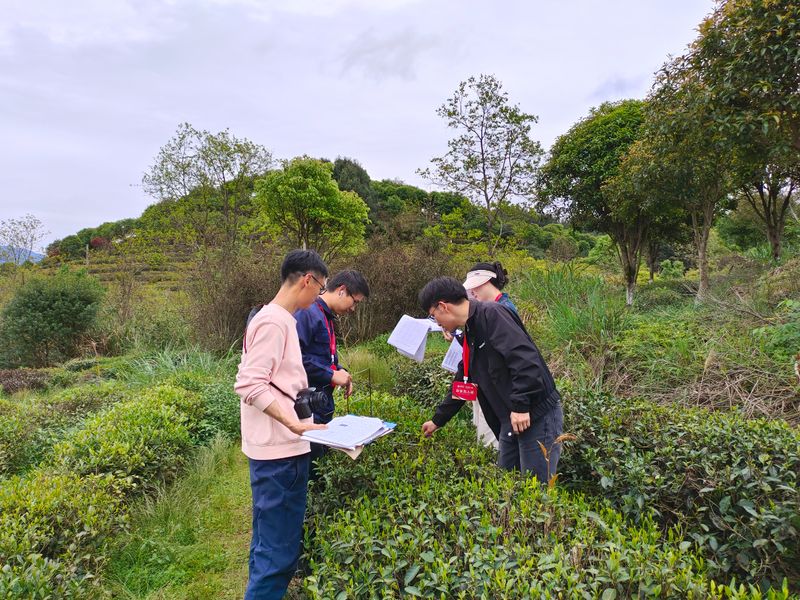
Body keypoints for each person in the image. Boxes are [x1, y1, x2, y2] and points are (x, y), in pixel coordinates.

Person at [234, 249, 329, 600]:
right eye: (320, 288)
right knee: (278, 554)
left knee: (267, 544)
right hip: (280, 455)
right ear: (308, 280)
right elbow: (249, 383)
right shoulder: (274, 322)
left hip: (275, 450)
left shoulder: (275, 318)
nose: (318, 295)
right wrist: (293, 423)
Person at [420, 277, 564, 483]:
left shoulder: (492, 315)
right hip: (510, 420)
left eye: (433, 315)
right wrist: (438, 420)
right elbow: (464, 380)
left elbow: (526, 360)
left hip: (534, 415)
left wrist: (521, 406)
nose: (437, 323)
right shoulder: (470, 330)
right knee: (507, 485)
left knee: (535, 489)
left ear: (443, 306)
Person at [294, 269, 370, 474]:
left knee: (322, 465)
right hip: (307, 408)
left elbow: (324, 357)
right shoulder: (307, 313)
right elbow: (294, 358)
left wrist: (340, 370)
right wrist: (331, 375)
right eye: (355, 302)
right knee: (313, 471)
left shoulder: (325, 316)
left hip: (322, 405)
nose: (353, 308)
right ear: (342, 290)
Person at [461, 261, 517, 449]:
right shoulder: (488, 310)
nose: (472, 293)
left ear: (486, 282)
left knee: (492, 442)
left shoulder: (503, 310)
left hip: (497, 387)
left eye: (475, 288)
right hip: (485, 383)